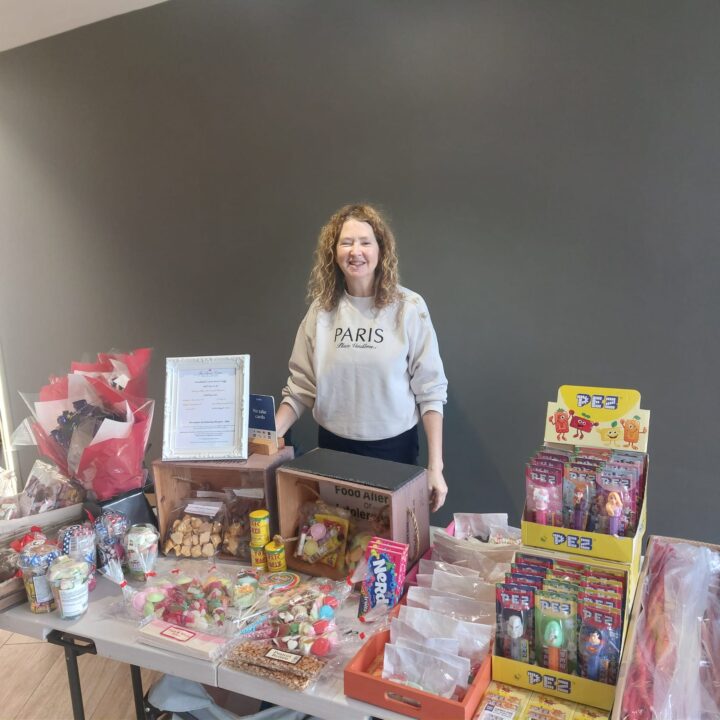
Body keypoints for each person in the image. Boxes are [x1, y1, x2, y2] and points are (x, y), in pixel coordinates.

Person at [275, 203, 449, 511]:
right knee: (336, 545)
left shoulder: (408, 307)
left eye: (365, 242)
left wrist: (436, 468)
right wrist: (270, 436)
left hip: (394, 453)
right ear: (334, 251)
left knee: (391, 549)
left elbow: (431, 393)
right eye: (346, 242)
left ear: (381, 249)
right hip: (333, 450)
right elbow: (300, 387)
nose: (356, 251)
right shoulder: (322, 310)